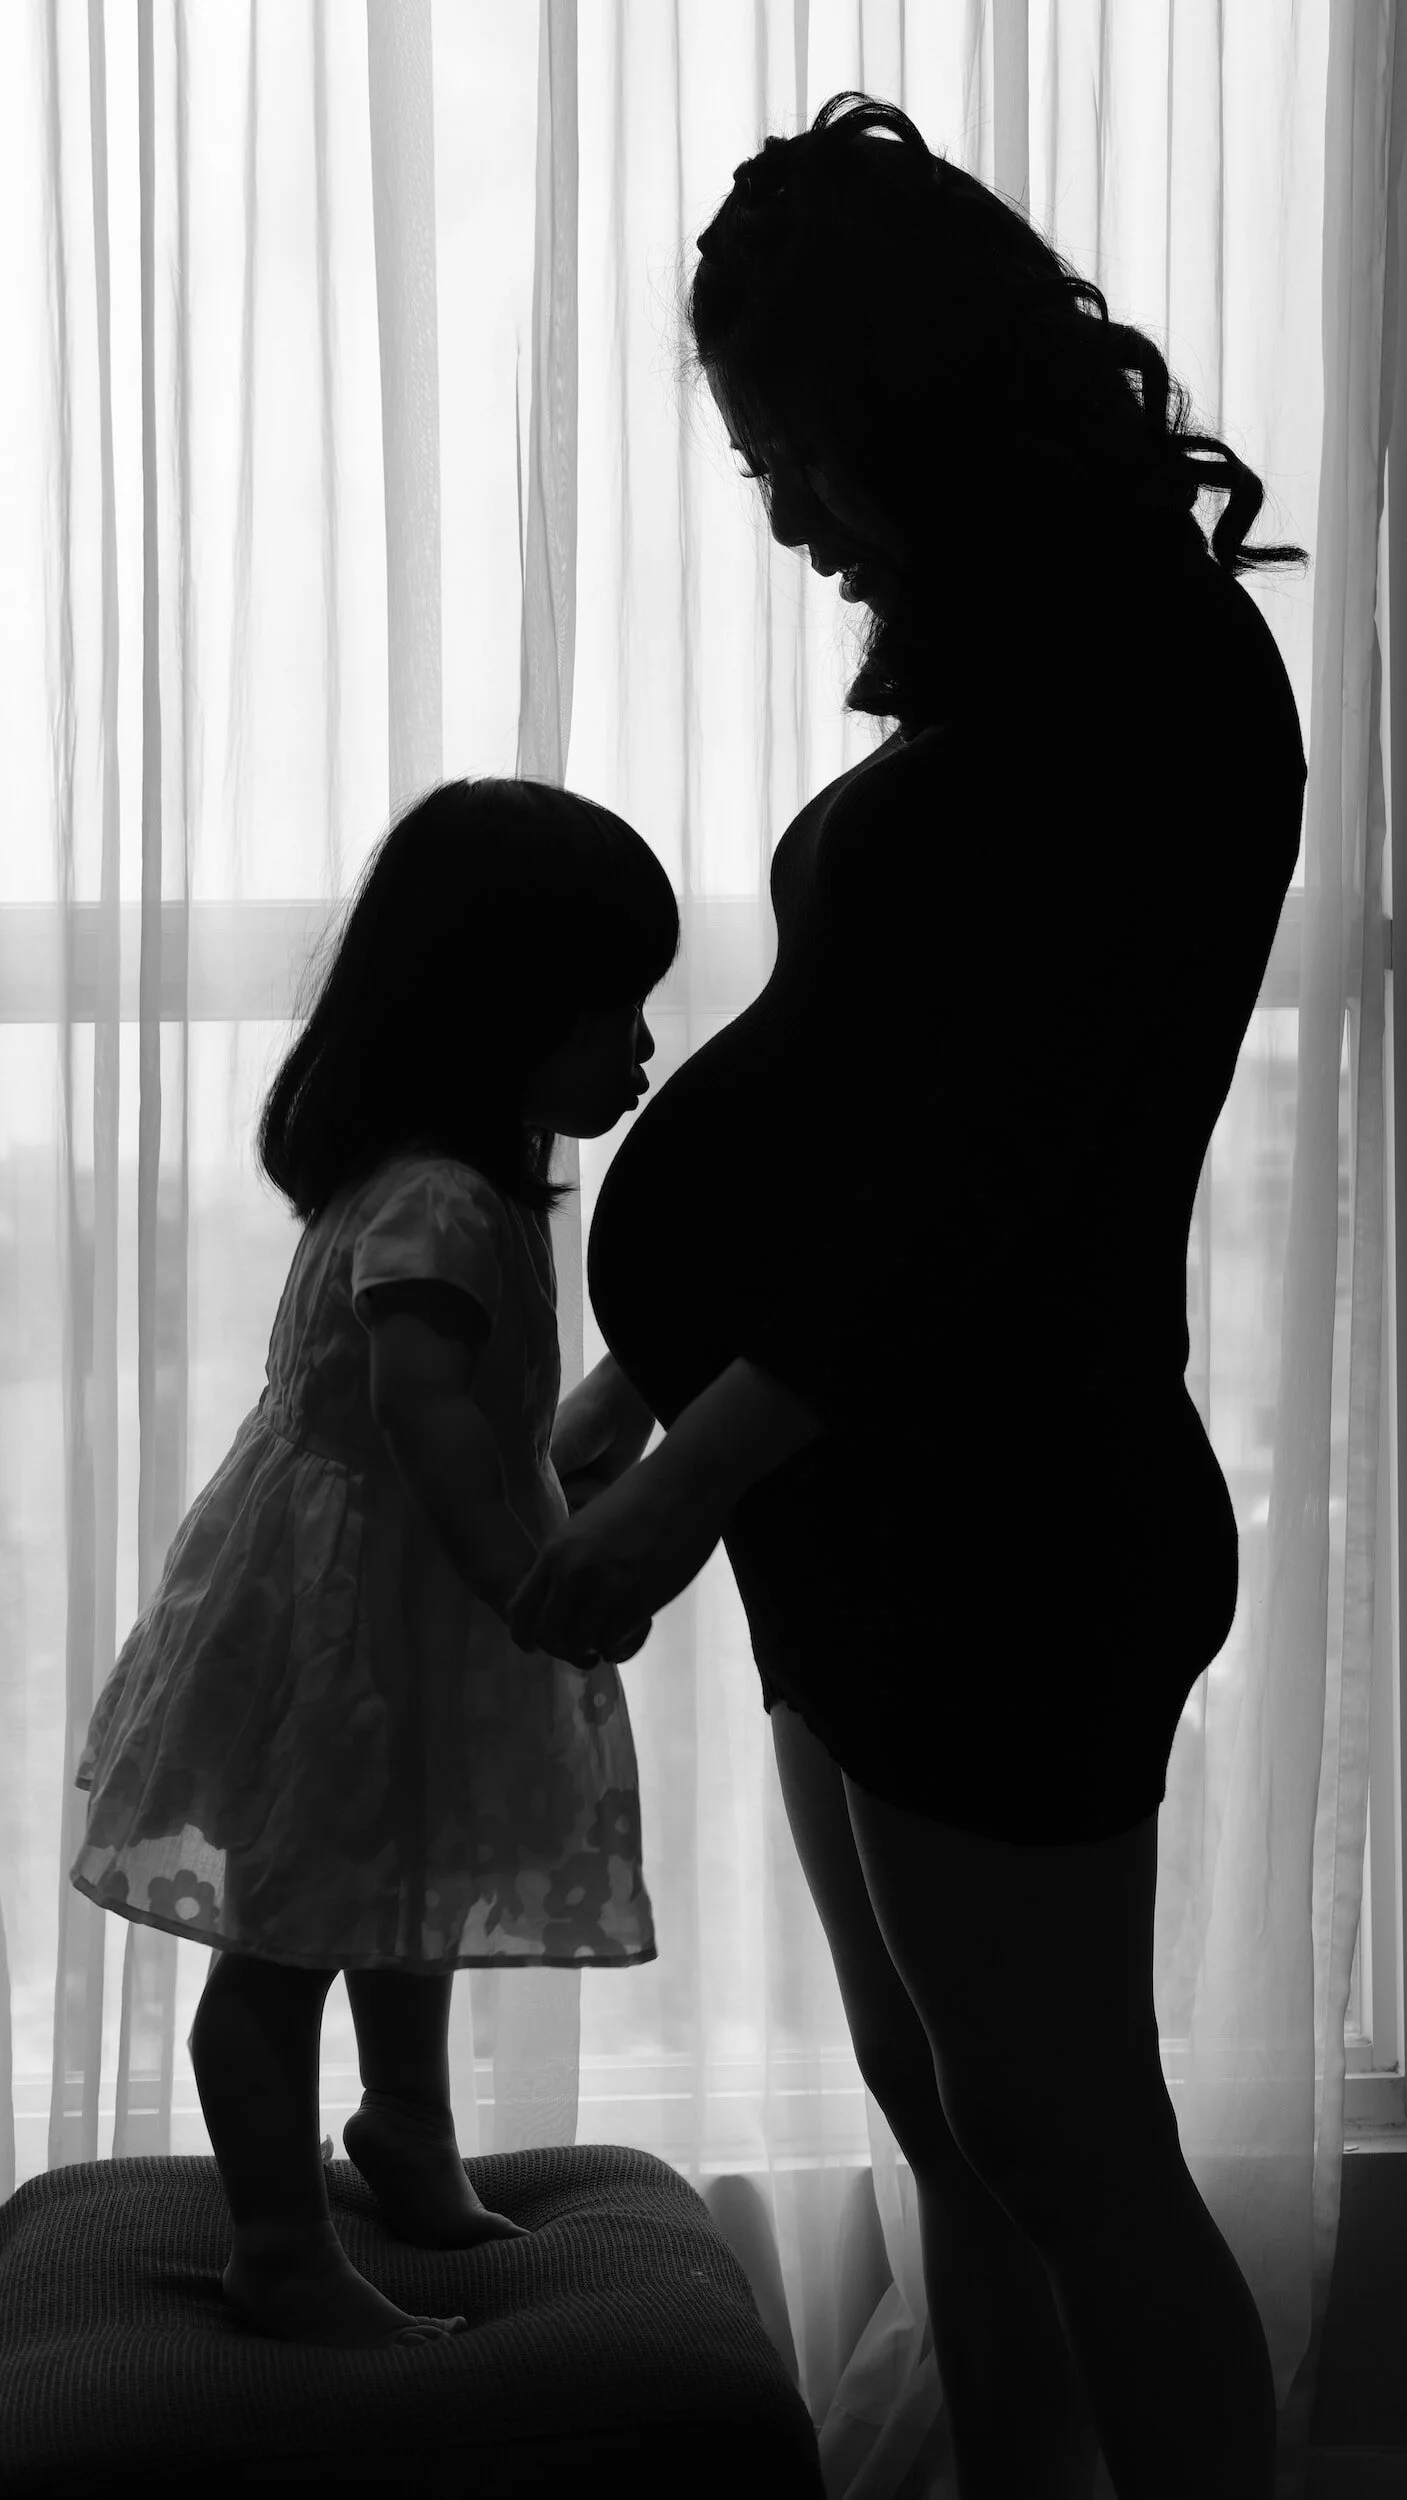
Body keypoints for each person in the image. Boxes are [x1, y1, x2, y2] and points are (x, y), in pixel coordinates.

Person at [65, 84, 1308, 2496]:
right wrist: (634, 1395)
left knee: (1068, 2142)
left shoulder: (1143, 696)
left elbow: (983, 1196)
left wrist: (654, 1483)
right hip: (853, 1509)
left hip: (1005, 1530)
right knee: (947, 2126)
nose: (774, 509)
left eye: (790, 447)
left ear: (901, 397)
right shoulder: (1022, 687)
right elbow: (854, 1133)